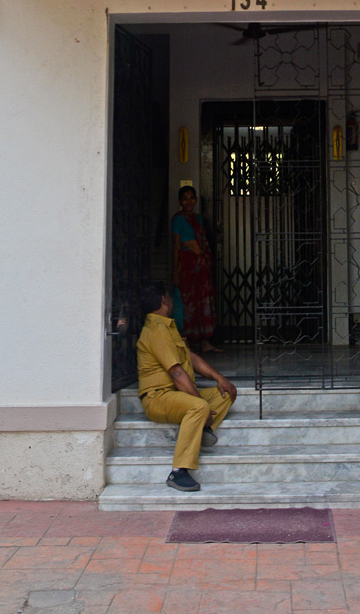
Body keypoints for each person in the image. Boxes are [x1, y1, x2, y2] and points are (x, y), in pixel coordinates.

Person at [135, 279, 236, 492]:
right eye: (170, 297)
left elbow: (191, 358)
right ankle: (178, 472)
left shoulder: (167, 327)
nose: (173, 301)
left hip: (175, 396)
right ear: (164, 300)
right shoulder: (156, 330)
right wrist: (202, 405)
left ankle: (200, 428)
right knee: (199, 406)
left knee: (225, 394)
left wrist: (220, 378)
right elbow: (177, 373)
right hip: (158, 398)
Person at [170, 185, 218, 348]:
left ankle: (205, 342)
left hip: (201, 266)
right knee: (188, 302)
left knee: (203, 301)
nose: (188, 201)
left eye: (191, 198)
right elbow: (177, 246)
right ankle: (188, 343)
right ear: (180, 201)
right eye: (185, 198)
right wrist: (175, 272)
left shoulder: (198, 219)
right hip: (187, 267)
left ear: (196, 200)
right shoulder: (178, 219)